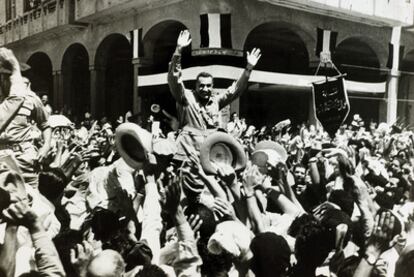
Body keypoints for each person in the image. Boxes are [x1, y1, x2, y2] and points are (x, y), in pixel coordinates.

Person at [168, 29, 261, 160]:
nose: (205, 89)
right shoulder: (186, 97)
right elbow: (174, 79)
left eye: (208, 86)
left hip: (210, 154)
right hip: (187, 154)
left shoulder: (216, 101)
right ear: (195, 86)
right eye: (201, 85)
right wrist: (178, 51)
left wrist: (248, 68)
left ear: (212, 87)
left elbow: (234, 90)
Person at [0, 47, 51, 187]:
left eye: (8, 77)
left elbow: (45, 125)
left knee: (33, 200)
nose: (5, 81)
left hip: (24, 158)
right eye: (3, 77)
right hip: (1, 159)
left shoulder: (30, 99)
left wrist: (46, 146)